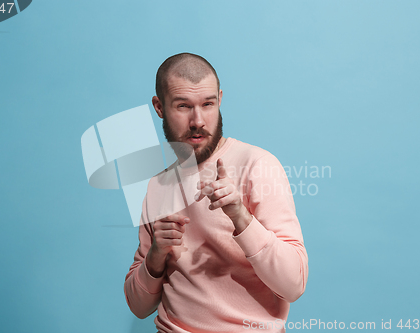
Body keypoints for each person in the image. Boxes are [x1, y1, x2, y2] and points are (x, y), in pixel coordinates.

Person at [124, 53, 308, 333]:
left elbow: (293, 285)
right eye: (183, 106)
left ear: (220, 99)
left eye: (207, 104)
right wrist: (157, 254)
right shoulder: (157, 186)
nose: (198, 120)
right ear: (159, 107)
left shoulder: (257, 165)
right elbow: (138, 307)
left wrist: (240, 216)